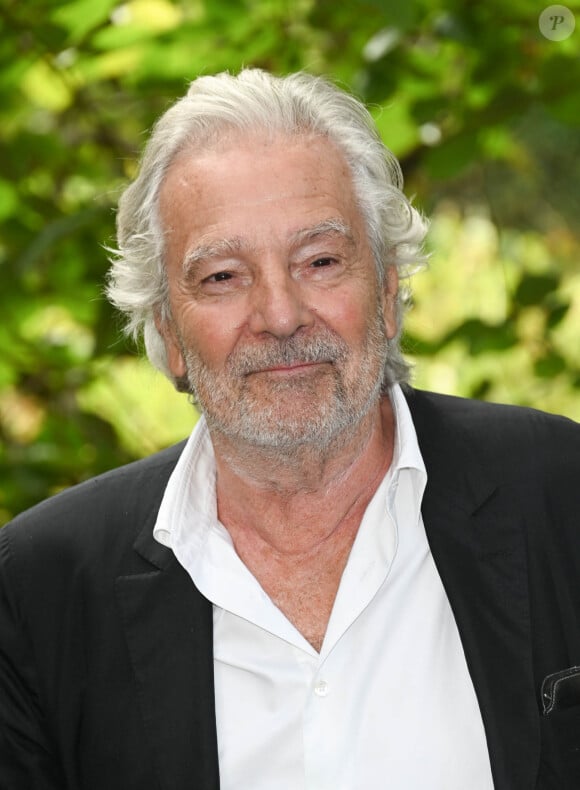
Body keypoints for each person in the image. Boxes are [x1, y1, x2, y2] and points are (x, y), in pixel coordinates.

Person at [1, 69, 579, 790]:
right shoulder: (40, 588)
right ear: (168, 333)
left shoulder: (561, 494)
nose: (279, 315)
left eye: (320, 261)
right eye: (222, 277)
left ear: (389, 293)